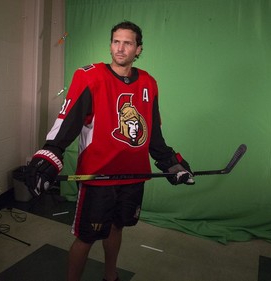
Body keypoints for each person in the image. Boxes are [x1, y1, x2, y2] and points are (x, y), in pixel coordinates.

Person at [25, 21, 195, 281]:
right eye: (116, 41)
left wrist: (172, 163)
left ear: (138, 49)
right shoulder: (89, 76)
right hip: (98, 177)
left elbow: (153, 135)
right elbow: (67, 122)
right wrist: (51, 152)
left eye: (127, 43)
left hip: (133, 176)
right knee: (86, 237)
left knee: (117, 228)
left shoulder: (149, 83)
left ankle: (110, 276)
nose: (120, 48)